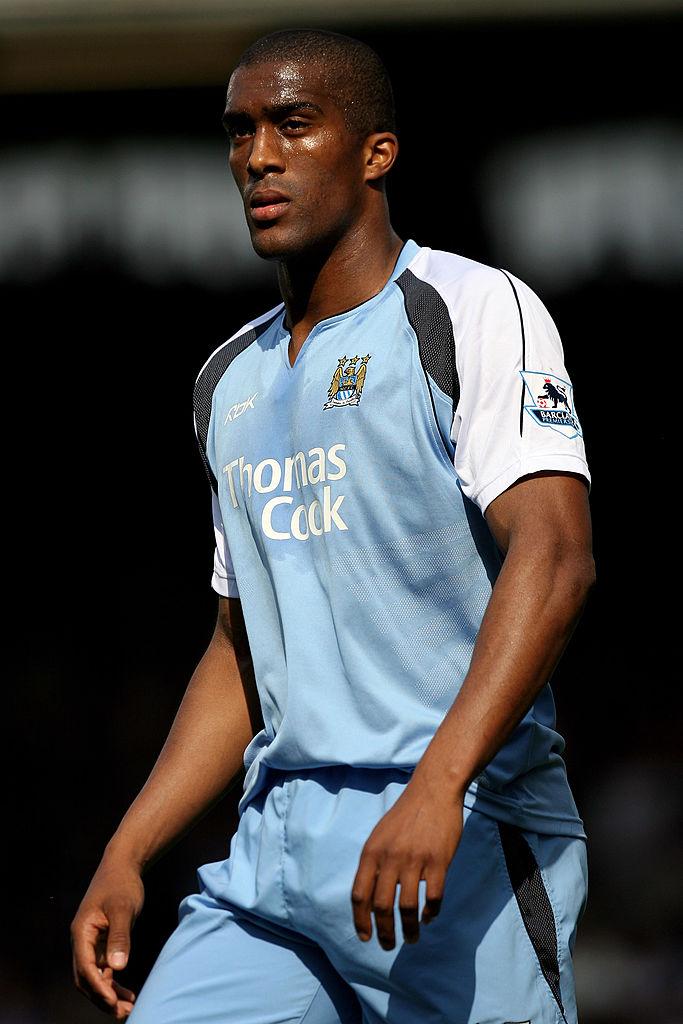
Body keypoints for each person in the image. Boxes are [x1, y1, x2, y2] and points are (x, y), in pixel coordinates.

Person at [71, 28, 595, 1024]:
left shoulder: (470, 309)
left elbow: (557, 555)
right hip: (274, 859)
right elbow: (242, 645)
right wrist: (129, 846)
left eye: (292, 124)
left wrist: (437, 787)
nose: (257, 156)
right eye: (239, 132)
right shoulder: (226, 379)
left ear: (375, 153)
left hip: (460, 830)